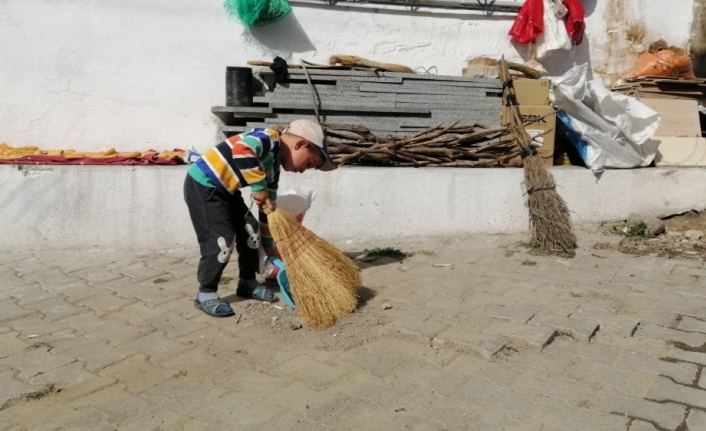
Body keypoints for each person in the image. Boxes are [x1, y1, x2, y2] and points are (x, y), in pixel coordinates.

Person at [183, 119, 337, 317]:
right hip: (204, 187)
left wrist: (268, 244)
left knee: (250, 231)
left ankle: (247, 282)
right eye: (308, 164)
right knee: (221, 241)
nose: (302, 170)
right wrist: (258, 187)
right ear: (300, 144)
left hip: (227, 191)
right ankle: (206, 291)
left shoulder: (273, 170)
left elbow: (267, 209)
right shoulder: (268, 137)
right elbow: (242, 148)